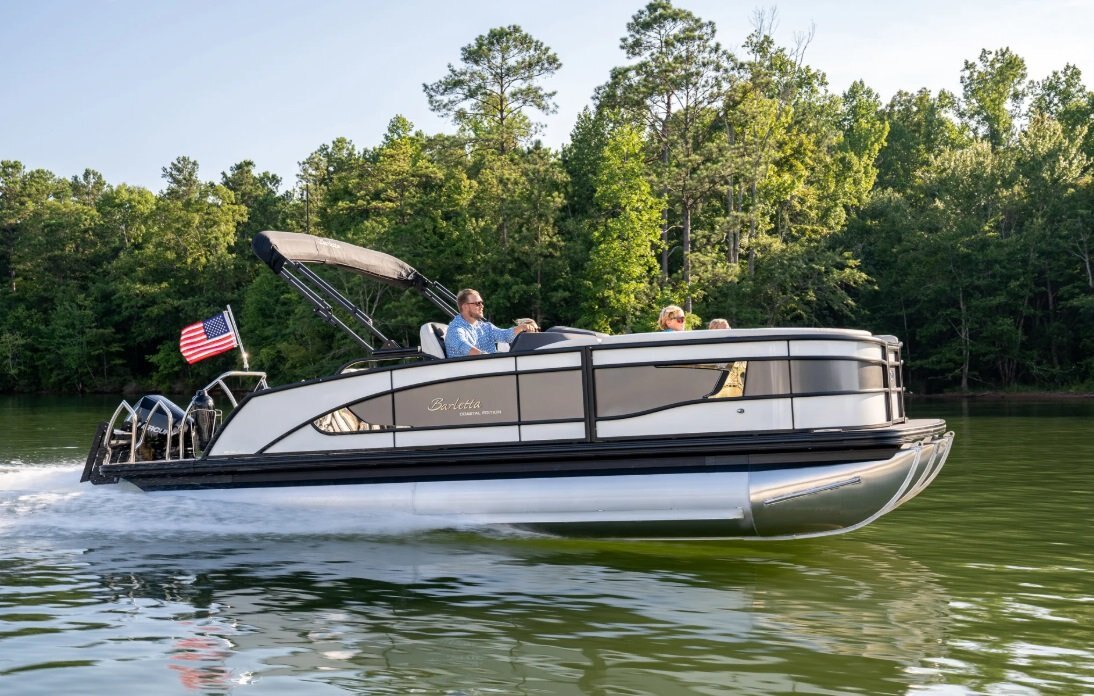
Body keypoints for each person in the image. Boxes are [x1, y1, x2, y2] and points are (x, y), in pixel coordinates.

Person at [445, 288, 537, 357]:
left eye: (481, 303)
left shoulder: (485, 327)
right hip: (469, 373)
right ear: (465, 307)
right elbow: (468, 349)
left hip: (487, 370)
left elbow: (504, 335)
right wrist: (493, 359)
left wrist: (521, 328)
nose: (482, 306)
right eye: (477, 303)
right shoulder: (455, 330)